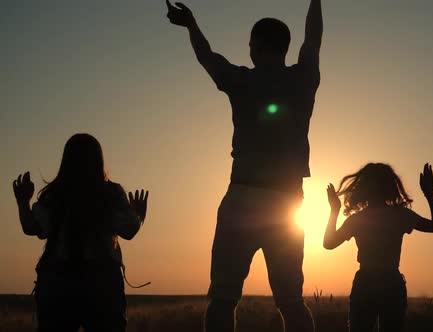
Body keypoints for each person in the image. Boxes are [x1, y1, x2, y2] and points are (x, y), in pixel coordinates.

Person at [166, 0, 322, 331]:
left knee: (223, 298)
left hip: (244, 197)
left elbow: (207, 57)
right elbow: (313, 38)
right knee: (291, 300)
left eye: (251, 44)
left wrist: (191, 24)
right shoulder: (304, 79)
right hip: (288, 202)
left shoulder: (241, 82)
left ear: (259, 45)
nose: (248, 49)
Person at [12, 133, 149, 332]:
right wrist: (139, 215)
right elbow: (128, 230)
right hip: (102, 284)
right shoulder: (110, 194)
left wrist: (23, 202)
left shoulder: (55, 195)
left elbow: (32, 227)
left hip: (58, 281)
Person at [323, 163, 433, 332]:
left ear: (363, 187)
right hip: (391, 283)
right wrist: (429, 194)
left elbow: (328, 244)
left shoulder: (358, 219)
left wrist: (334, 211)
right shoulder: (400, 215)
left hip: (365, 283)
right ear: (390, 186)